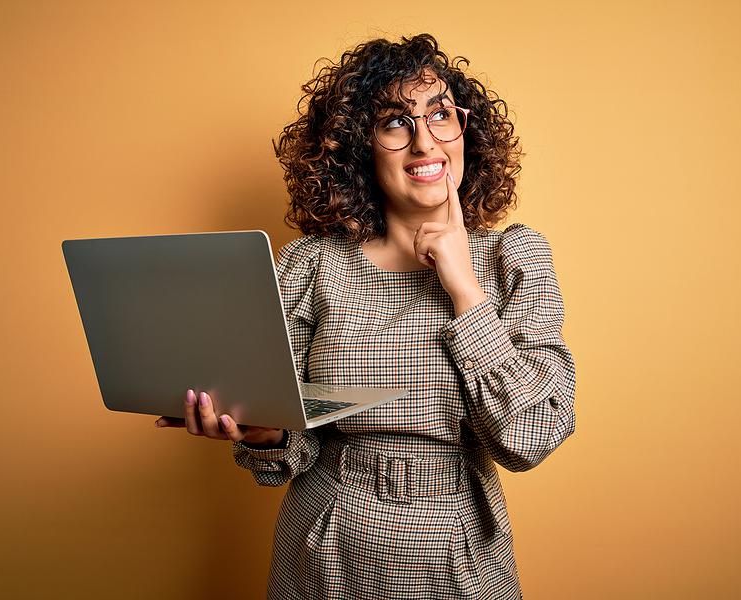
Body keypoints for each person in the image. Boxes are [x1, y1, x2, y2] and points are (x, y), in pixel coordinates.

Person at [156, 33, 576, 599]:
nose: (425, 143)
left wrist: (465, 288)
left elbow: (531, 437)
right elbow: (292, 443)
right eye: (396, 123)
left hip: (459, 552)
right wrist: (263, 430)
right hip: (325, 547)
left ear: (465, 130)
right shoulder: (312, 265)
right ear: (360, 145)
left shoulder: (513, 257)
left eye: (440, 115)